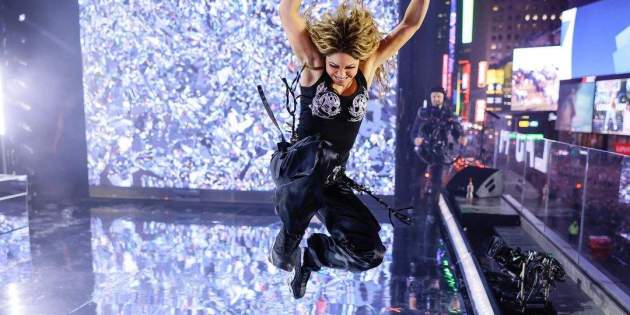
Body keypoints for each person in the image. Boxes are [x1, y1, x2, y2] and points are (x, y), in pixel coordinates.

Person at [270, 0, 430, 299]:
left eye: (348, 67)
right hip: (297, 168)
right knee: (322, 152)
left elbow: (410, 25)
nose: (341, 74)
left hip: (330, 181)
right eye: (335, 66)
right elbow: (287, 12)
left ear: (360, 62)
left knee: (370, 253)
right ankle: (286, 244)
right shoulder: (314, 66)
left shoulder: (366, 69)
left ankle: (313, 257)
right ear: (324, 58)